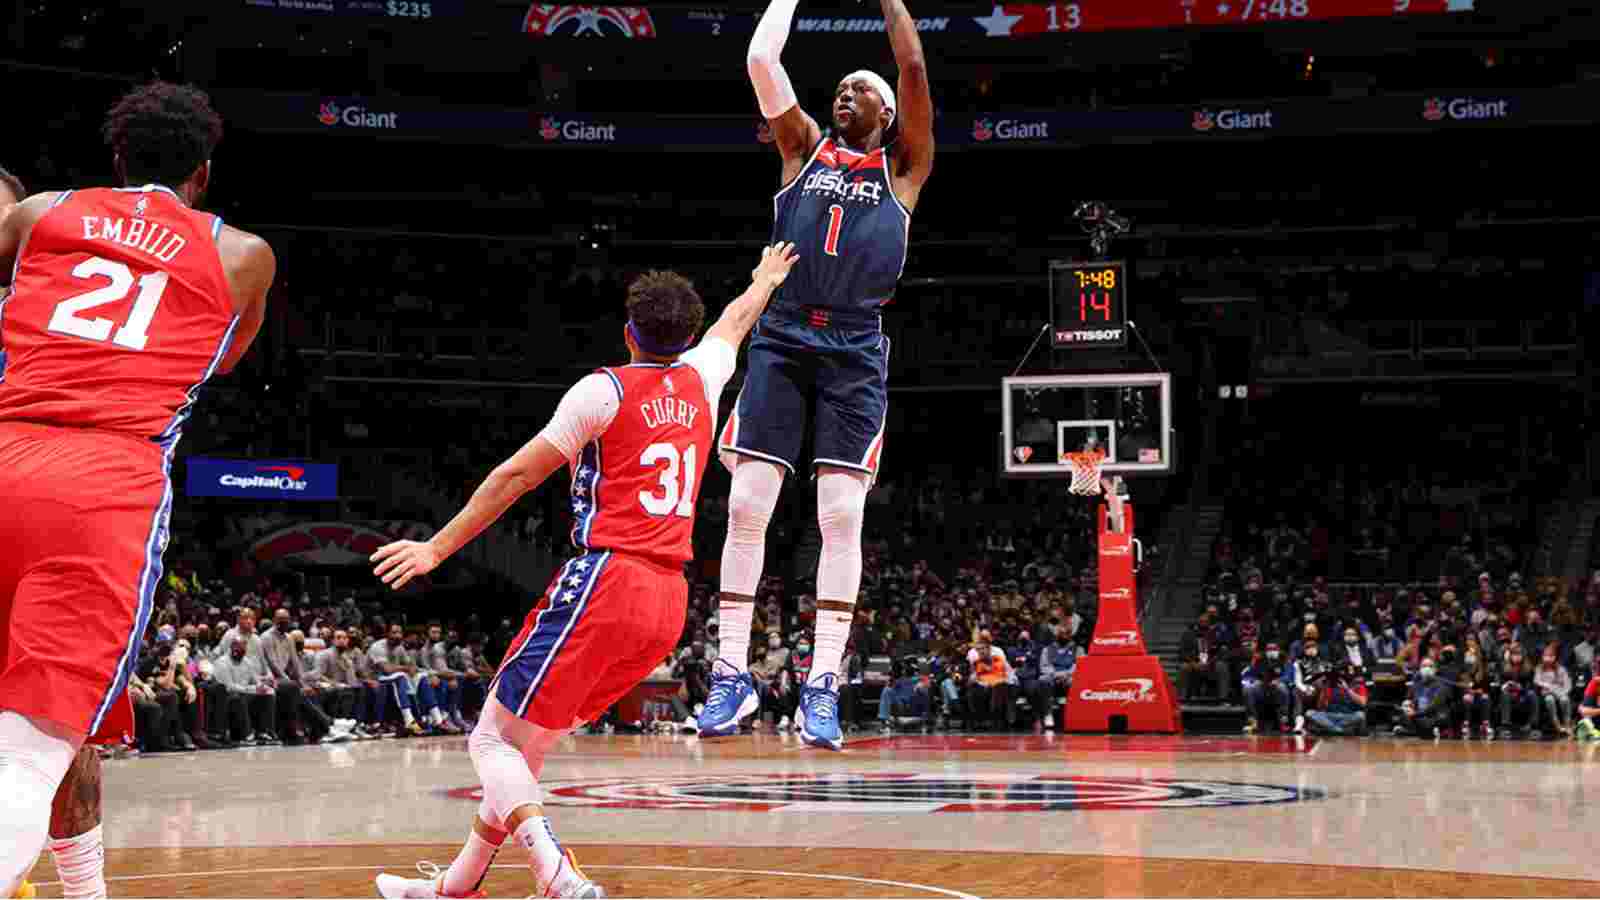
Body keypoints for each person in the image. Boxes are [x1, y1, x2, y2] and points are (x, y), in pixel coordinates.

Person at [370, 242, 797, 900]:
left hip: (607, 578)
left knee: (491, 740)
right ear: (687, 335)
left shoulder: (603, 390)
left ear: (629, 331)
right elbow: (735, 322)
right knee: (525, 746)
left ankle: (557, 874)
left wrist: (436, 549)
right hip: (670, 601)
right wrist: (766, 278)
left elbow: (515, 475)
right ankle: (456, 887)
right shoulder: (704, 377)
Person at [0, 81, 275, 900]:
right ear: (204, 170)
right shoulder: (242, 254)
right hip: (104, 479)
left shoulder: (39, 212)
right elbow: (220, 357)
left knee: (45, 736)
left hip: (7, 439)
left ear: (116, 155)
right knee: (36, 739)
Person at [698, 0, 936, 753]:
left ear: (889, 112)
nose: (845, 93)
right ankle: (730, 674)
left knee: (840, 516)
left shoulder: (903, 167)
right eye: (839, 87)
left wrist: (891, 4)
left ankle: (823, 685)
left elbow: (914, 65)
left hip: (856, 348)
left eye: (860, 88)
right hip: (783, 334)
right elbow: (762, 64)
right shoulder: (801, 147)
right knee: (747, 505)